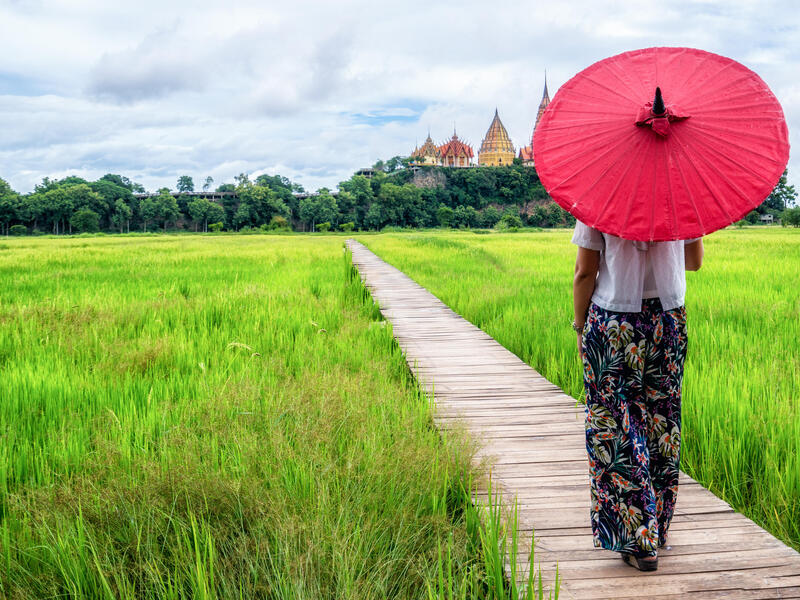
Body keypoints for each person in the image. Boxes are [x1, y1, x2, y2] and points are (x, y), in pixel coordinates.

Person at [571, 221, 704, 571]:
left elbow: (585, 272)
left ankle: (639, 541)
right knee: (662, 422)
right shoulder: (680, 199)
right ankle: (655, 527)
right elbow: (694, 261)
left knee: (616, 428)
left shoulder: (599, 200)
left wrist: (579, 325)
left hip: (613, 322)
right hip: (669, 320)